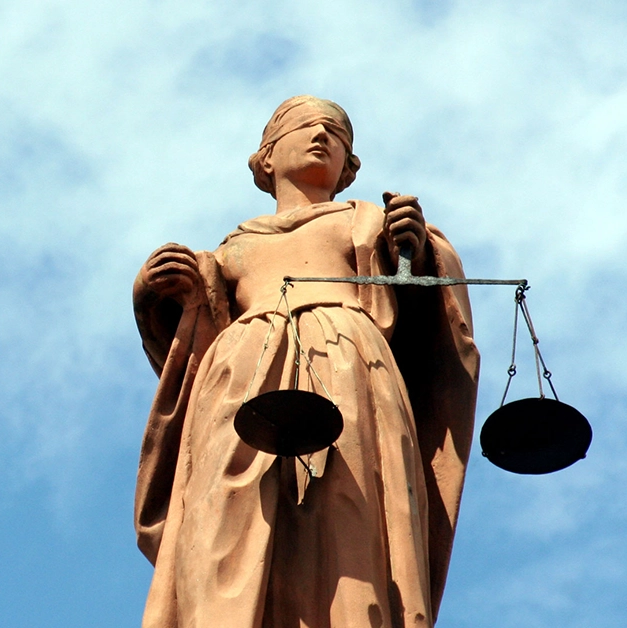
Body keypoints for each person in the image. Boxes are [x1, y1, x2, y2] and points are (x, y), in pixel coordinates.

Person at [132, 95, 480, 627]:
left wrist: (416, 251)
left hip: (349, 368)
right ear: (266, 158)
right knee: (222, 524)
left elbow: (429, 318)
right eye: (305, 126)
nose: (322, 136)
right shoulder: (231, 249)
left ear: (349, 167)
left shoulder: (366, 222)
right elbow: (191, 344)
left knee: (351, 514)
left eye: (336, 134)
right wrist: (155, 291)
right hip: (241, 382)